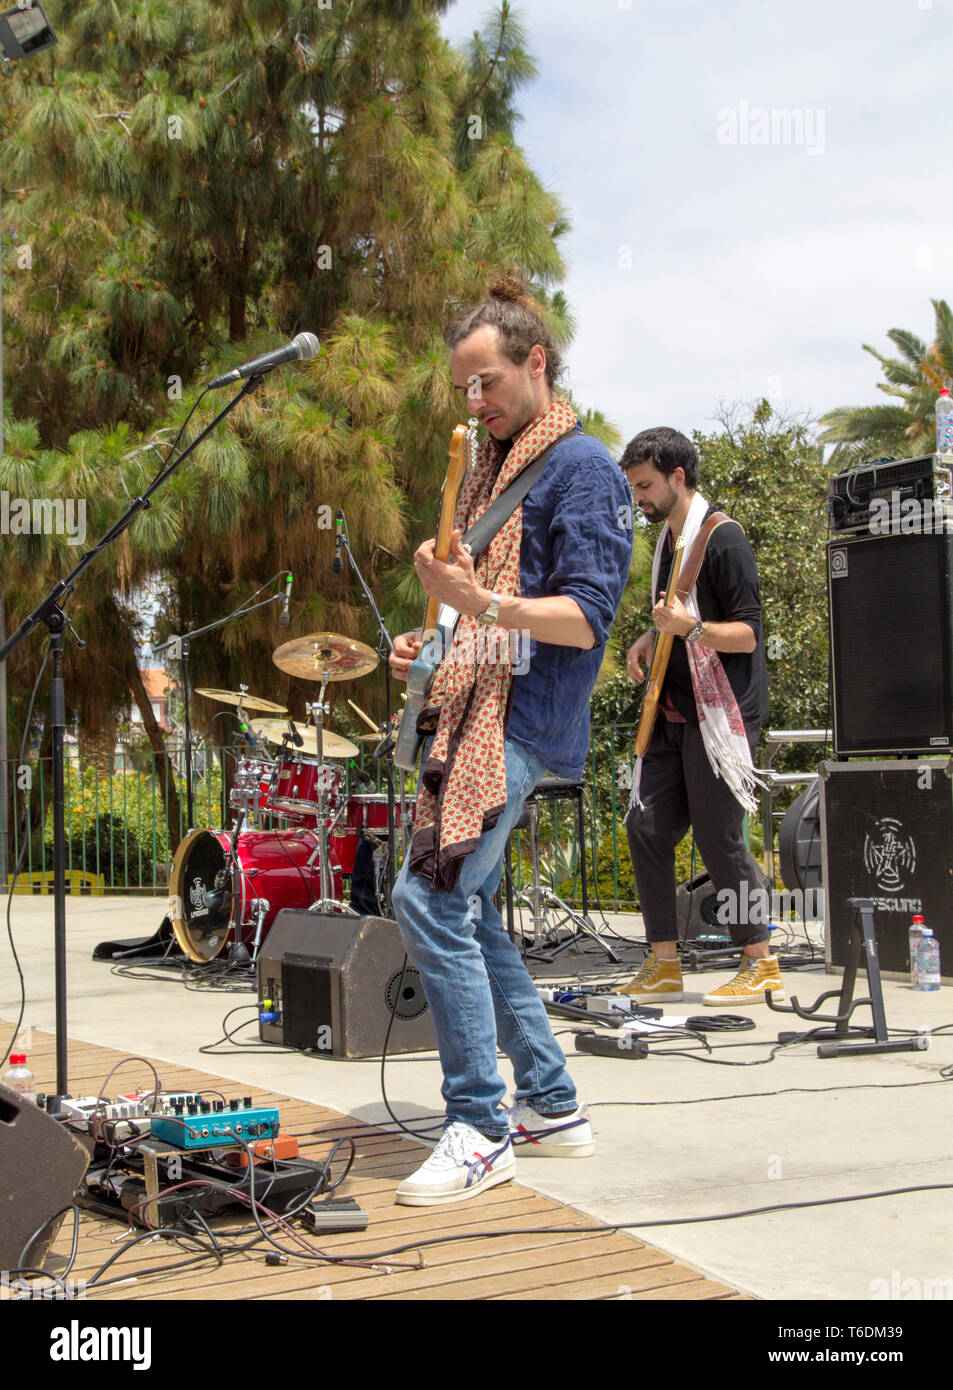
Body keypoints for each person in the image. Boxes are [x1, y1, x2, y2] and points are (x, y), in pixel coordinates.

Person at [388, 277, 632, 1206]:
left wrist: (476, 605)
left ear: (536, 364)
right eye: (463, 387)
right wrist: (438, 637)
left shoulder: (583, 470)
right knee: (470, 910)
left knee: (428, 898)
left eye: (486, 381)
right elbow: (497, 625)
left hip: (520, 725)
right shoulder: (493, 472)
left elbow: (584, 620)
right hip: (474, 706)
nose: (474, 401)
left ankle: (481, 1127)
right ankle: (552, 1105)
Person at [619, 427, 783, 1006]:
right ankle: (665, 963)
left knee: (720, 839)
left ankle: (760, 960)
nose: (637, 497)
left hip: (723, 716)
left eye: (644, 486)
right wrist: (648, 636)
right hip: (673, 710)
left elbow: (748, 635)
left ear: (677, 477)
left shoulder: (724, 538)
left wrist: (690, 630)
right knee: (645, 827)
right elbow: (673, 615)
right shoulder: (670, 540)